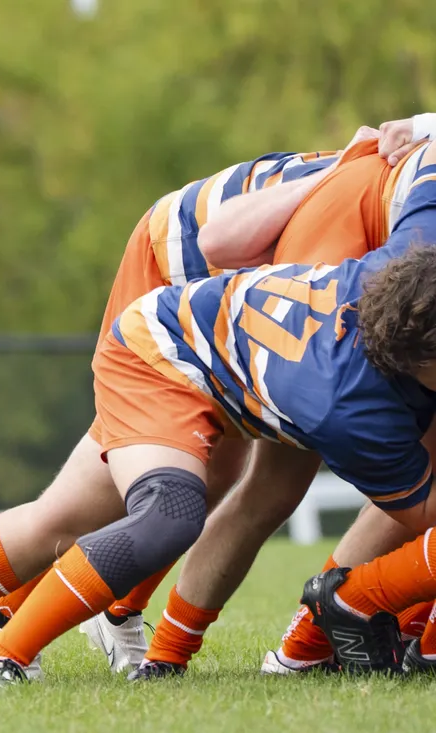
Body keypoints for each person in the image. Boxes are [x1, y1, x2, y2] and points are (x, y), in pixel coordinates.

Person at [0, 136, 436, 688]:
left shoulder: (410, 227)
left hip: (212, 324)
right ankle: (19, 638)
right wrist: (351, 160)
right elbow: (220, 243)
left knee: (115, 507)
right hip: (172, 306)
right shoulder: (355, 247)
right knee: (174, 504)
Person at [130, 116, 436, 679]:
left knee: (259, 489)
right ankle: (150, 636)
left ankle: (315, 639)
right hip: (332, 290)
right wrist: (414, 126)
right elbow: (219, 239)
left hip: (366, 289)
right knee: (255, 485)